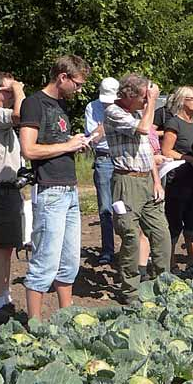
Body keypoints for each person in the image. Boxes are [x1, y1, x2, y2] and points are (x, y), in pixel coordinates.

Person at [19, 55, 90, 322]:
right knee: (45, 261)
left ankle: (66, 316)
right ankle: (35, 324)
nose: (79, 90)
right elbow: (29, 149)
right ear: (63, 77)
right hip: (50, 191)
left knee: (70, 260)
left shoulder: (60, 105)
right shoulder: (34, 104)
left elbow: (57, 141)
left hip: (69, 190)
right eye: (78, 84)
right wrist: (67, 145)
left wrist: (74, 142)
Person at [104, 74, 171, 293]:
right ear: (129, 95)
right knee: (131, 236)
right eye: (143, 97)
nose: (146, 101)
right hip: (126, 182)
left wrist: (156, 181)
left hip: (147, 180)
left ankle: (161, 282)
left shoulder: (138, 112)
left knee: (161, 234)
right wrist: (151, 101)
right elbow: (143, 129)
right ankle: (130, 290)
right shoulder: (113, 113)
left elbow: (148, 150)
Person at [0, 72, 25, 316]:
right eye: (8, 91)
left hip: (8, 188)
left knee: (8, 246)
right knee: (1, 247)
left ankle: (3, 294)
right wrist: (20, 90)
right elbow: (21, 115)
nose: (13, 95)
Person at [160, 86, 193, 272]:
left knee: (192, 221)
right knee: (175, 222)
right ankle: (169, 262)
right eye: (192, 98)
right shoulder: (174, 123)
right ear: (181, 100)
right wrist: (188, 159)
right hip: (178, 179)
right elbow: (166, 150)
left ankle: (191, 260)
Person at [84, 77, 119, 265]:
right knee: (105, 207)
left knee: (129, 205)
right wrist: (111, 119)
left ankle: (133, 249)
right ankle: (108, 250)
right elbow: (93, 138)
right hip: (104, 158)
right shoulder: (92, 107)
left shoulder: (126, 106)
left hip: (123, 157)